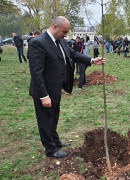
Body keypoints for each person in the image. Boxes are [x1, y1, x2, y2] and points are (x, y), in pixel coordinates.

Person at [28, 16, 105, 158]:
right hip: (43, 91)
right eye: (64, 32)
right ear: (55, 26)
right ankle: (50, 150)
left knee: (54, 116)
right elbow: (36, 73)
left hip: (56, 88)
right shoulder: (39, 43)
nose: (66, 35)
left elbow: (73, 54)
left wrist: (92, 60)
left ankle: (55, 141)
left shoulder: (60, 41)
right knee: (45, 120)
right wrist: (44, 96)